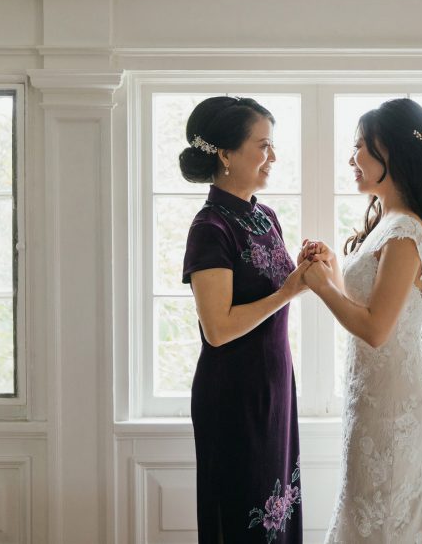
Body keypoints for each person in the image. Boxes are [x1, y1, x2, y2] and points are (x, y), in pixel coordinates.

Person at [300, 97, 422, 543]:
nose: (351, 158)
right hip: (370, 395)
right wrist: (332, 268)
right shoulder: (387, 221)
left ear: (388, 152)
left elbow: (376, 329)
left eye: (360, 146)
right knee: (372, 511)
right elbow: (365, 301)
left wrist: (322, 287)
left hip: (391, 406)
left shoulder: (405, 233)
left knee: (384, 517)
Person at [180, 96, 310, 544]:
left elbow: (276, 287)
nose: (272, 156)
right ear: (226, 154)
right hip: (233, 395)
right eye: (263, 145)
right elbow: (217, 329)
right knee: (238, 519)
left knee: (279, 512)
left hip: (275, 386)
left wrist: (304, 271)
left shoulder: (265, 216)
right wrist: (289, 289)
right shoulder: (210, 228)